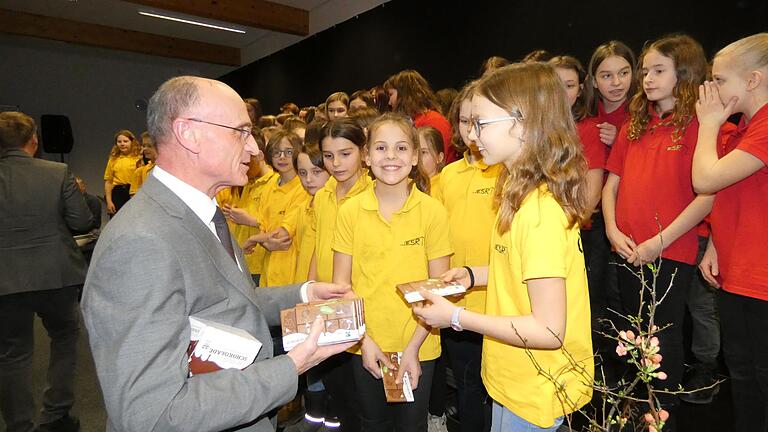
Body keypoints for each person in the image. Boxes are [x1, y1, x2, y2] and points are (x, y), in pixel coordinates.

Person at [81, 76, 355, 432]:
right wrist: (291, 367)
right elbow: (153, 414)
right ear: (188, 134)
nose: (256, 149)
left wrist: (304, 293)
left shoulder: (202, 212)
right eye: (241, 131)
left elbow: (224, 299)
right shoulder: (140, 243)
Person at [414, 62, 593, 431]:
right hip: (515, 377)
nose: (471, 134)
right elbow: (524, 273)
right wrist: (472, 275)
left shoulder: (539, 212)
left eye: (481, 123)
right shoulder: (520, 195)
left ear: (522, 122)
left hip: (535, 386)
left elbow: (548, 330)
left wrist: (455, 317)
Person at [602, 34, 715, 430]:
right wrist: (613, 230)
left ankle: (658, 416)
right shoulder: (636, 124)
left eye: (658, 70)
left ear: (682, 73)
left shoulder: (701, 127)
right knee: (633, 331)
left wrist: (658, 242)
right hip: (627, 248)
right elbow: (611, 184)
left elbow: (706, 197)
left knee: (662, 334)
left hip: (671, 251)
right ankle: (636, 410)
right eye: (646, 71)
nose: (647, 78)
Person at [332, 113, 452, 432]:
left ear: (415, 157)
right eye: (381, 148)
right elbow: (341, 287)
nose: (391, 157)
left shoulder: (433, 213)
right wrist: (364, 340)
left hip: (419, 344)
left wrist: (412, 347)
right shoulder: (350, 212)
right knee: (373, 423)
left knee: (411, 425)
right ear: (367, 156)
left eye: (401, 148)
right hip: (366, 344)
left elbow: (438, 289)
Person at [0, 111, 94, 432]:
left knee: (13, 353)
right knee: (65, 338)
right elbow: (82, 222)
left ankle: (19, 425)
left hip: (5, 279)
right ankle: (55, 415)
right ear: (34, 140)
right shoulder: (57, 172)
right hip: (56, 274)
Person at [692, 33, 768, 429]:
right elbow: (736, 193)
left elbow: (705, 179)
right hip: (740, 275)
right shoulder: (746, 127)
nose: (711, 90)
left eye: (719, 80)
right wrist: (716, 245)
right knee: (742, 375)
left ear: (752, 81)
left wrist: (707, 124)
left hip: (762, 282)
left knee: (760, 379)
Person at [430, 81, 501, 432]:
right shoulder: (447, 176)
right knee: (467, 381)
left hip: (499, 301)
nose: (471, 130)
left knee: (493, 387)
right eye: (463, 120)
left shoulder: (507, 171)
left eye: (479, 120)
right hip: (457, 299)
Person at [384, 70, 456, 163]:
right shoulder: (413, 120)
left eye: (391, 94)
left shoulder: (434, 121)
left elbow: (437, 162)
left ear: (404, 94)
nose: (389, 102)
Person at [103, 129, 141, 215]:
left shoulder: (139, 158)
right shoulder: (113, 159)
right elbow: (108, 182)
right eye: (119, 142)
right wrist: (109, 202)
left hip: (134, 192)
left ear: (132, 142)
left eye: (125, 141)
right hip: (118, 193)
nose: (122, 144)